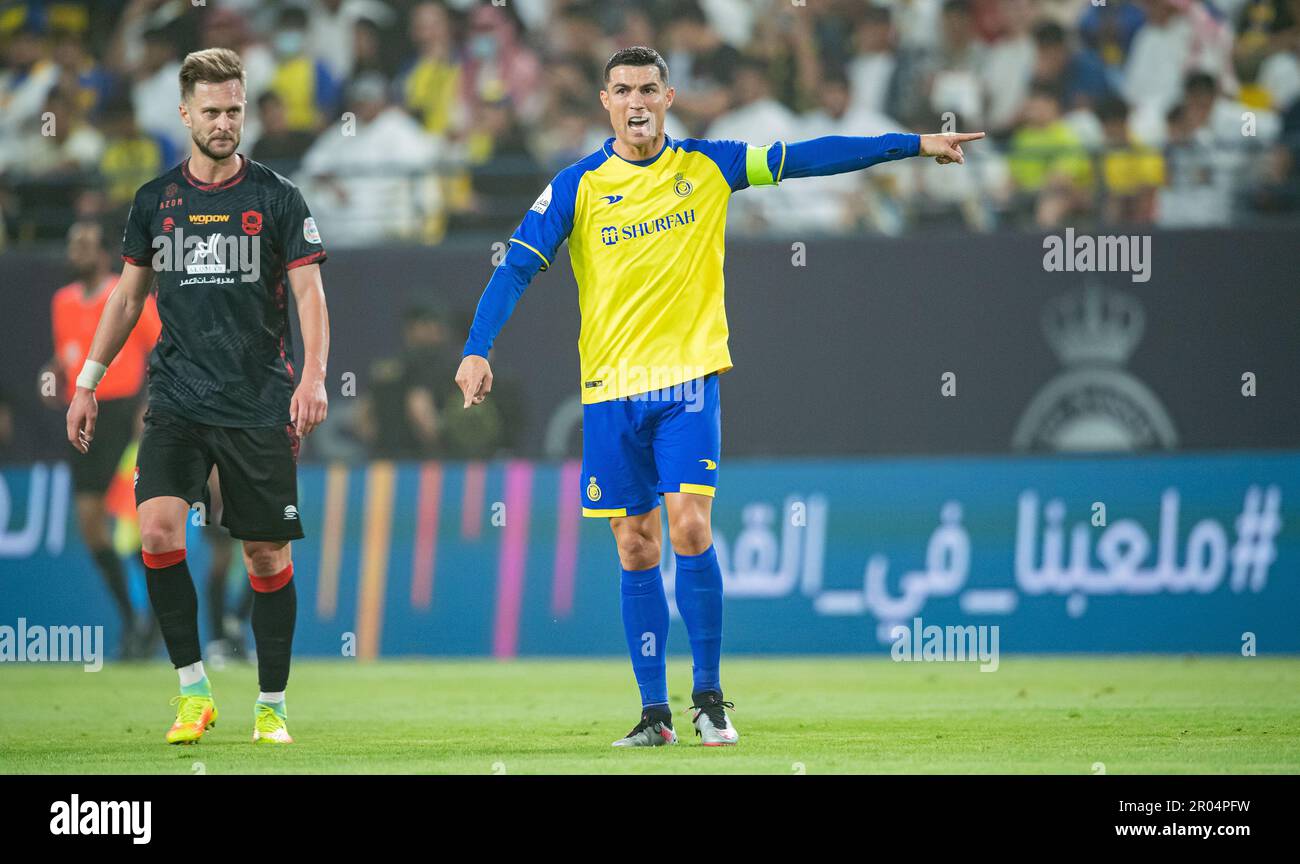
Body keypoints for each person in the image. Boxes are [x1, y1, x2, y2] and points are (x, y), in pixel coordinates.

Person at [454, 46, 983, 748]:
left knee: (689, 528)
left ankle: (709, 697)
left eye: (649, 88)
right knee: (636, 546)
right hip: (609, 393)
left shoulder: (709, 165)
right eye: (622, 90)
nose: (636, 101)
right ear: (604, 102)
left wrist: (912, 144)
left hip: (687, 384)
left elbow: (810, 155)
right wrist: (476, 348)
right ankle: (654, 714)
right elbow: (516, 266)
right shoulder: (576, 186)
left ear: (670, 98)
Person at [66, 48, 331, 747]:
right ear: (184, 113)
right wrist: (88, 380)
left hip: (256, 402)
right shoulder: (155, 201)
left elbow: (309, 291)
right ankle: (193, 692)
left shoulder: (277, 197)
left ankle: (271, 704)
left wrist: (313, 375)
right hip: (176, 398)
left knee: (265, 558)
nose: (224, 122)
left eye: (234, 109)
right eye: (211, 111)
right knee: (156, 532)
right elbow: (127, 298)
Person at [47, 217, 161, 659]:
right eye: (72, 242)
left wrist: (147, 405)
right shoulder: (62, 302)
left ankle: (152, 621)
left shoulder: (127, 295)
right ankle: (131, 618)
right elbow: (71, 353)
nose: (75, 251)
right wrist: (55, 370)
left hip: (124, 416)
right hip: (86, 413)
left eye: (85, 243)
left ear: (103, 253)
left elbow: (162, 346)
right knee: (90, 523)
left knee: (131, 529)